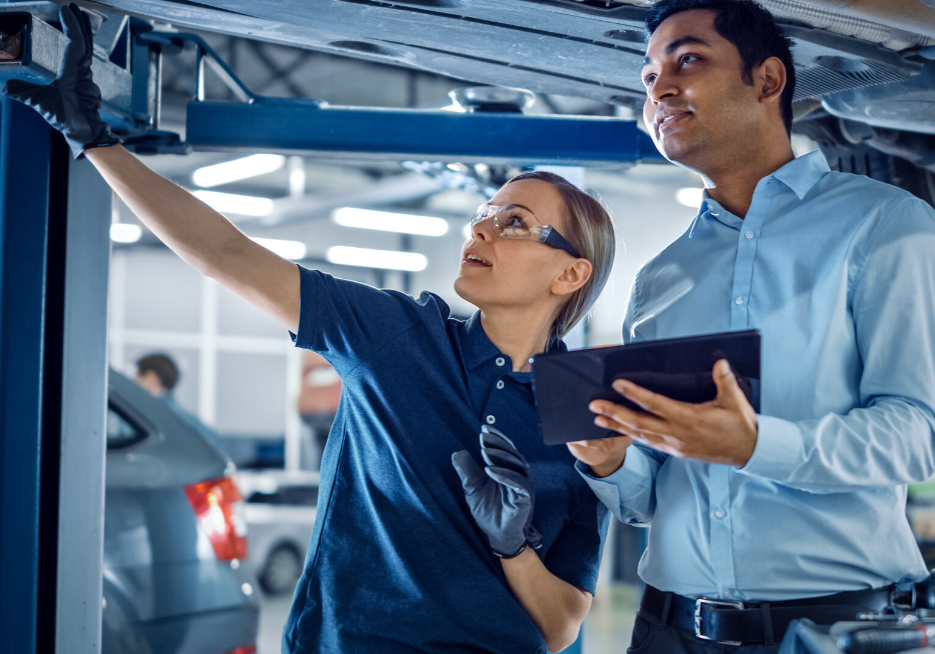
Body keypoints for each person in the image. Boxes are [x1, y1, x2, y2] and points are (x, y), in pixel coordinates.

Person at [5, 6, 615, 652]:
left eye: (513, 221)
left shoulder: (586, 413)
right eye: (483, 214)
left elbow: (560, 625)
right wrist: (96, 142)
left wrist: (513, 546)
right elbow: (230, 256)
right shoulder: (396, 335)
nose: (480, 228)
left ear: (570, 275)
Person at [567, 1, 935, 652]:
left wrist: (754, 444)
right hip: (668, 630)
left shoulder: (883, 226)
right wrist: (611, 462)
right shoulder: (662, 277)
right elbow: (651, 496)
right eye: (648, 75)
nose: (660, 88)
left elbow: (917, 434)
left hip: (828, 631)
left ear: (766, 81)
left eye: (687, 60)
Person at [134, 352, 224, 451]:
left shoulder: (160, 416)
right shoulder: (183, 417)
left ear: (151, 377)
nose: (134, 381)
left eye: (138, 376)